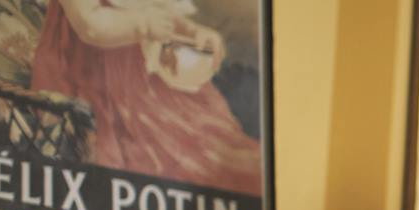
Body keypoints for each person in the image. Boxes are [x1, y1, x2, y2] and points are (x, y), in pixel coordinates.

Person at [30, 0, 263, 196]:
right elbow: (89, 25)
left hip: (137, 77)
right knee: (135, 150)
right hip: (88, 77)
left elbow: (156, 10)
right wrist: (143, 24)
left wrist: (192, 32)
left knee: (203, 135)